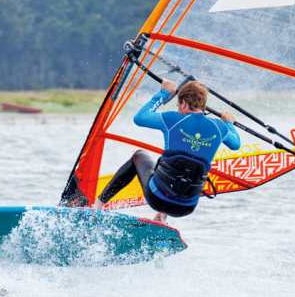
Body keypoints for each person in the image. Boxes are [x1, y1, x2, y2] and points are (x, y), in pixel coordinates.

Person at [93, 80, 239, 223]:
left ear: (183, 103)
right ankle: (161, 217)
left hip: (156, 199)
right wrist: (229, 123)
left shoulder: (172, 119)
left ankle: (98, 205)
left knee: (140, 156)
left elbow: (139, 118)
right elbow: (236, 144)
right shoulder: (220, 128)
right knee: (181, 167)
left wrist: (164, 94)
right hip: (186, 207)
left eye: (178, 105)